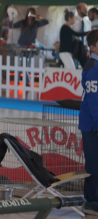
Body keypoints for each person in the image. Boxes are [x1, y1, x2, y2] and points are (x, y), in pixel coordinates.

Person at [78, 29, 98, 216]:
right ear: (92, 47)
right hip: (92, 124)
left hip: (93, 123)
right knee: (93, 164)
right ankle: (90, 201)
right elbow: (93, 101)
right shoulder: (92, 67)